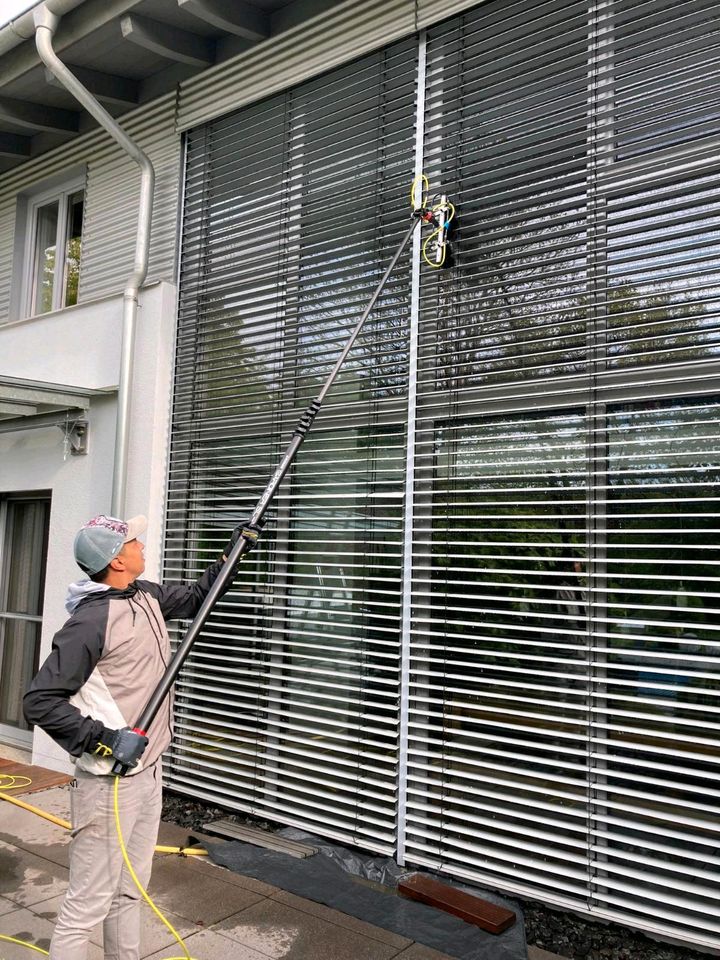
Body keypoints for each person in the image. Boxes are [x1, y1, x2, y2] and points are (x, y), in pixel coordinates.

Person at [23, 512, 251, 960]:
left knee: (130, 891)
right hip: (109, 782)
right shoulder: (90, 623)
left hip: (148, 772)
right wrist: (106, 739)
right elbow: (40, 701)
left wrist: (234, 552)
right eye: (133, 543)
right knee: (87, 903)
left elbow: (199, 598)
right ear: (116, 561)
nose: (142, 547)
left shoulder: (143, 595)